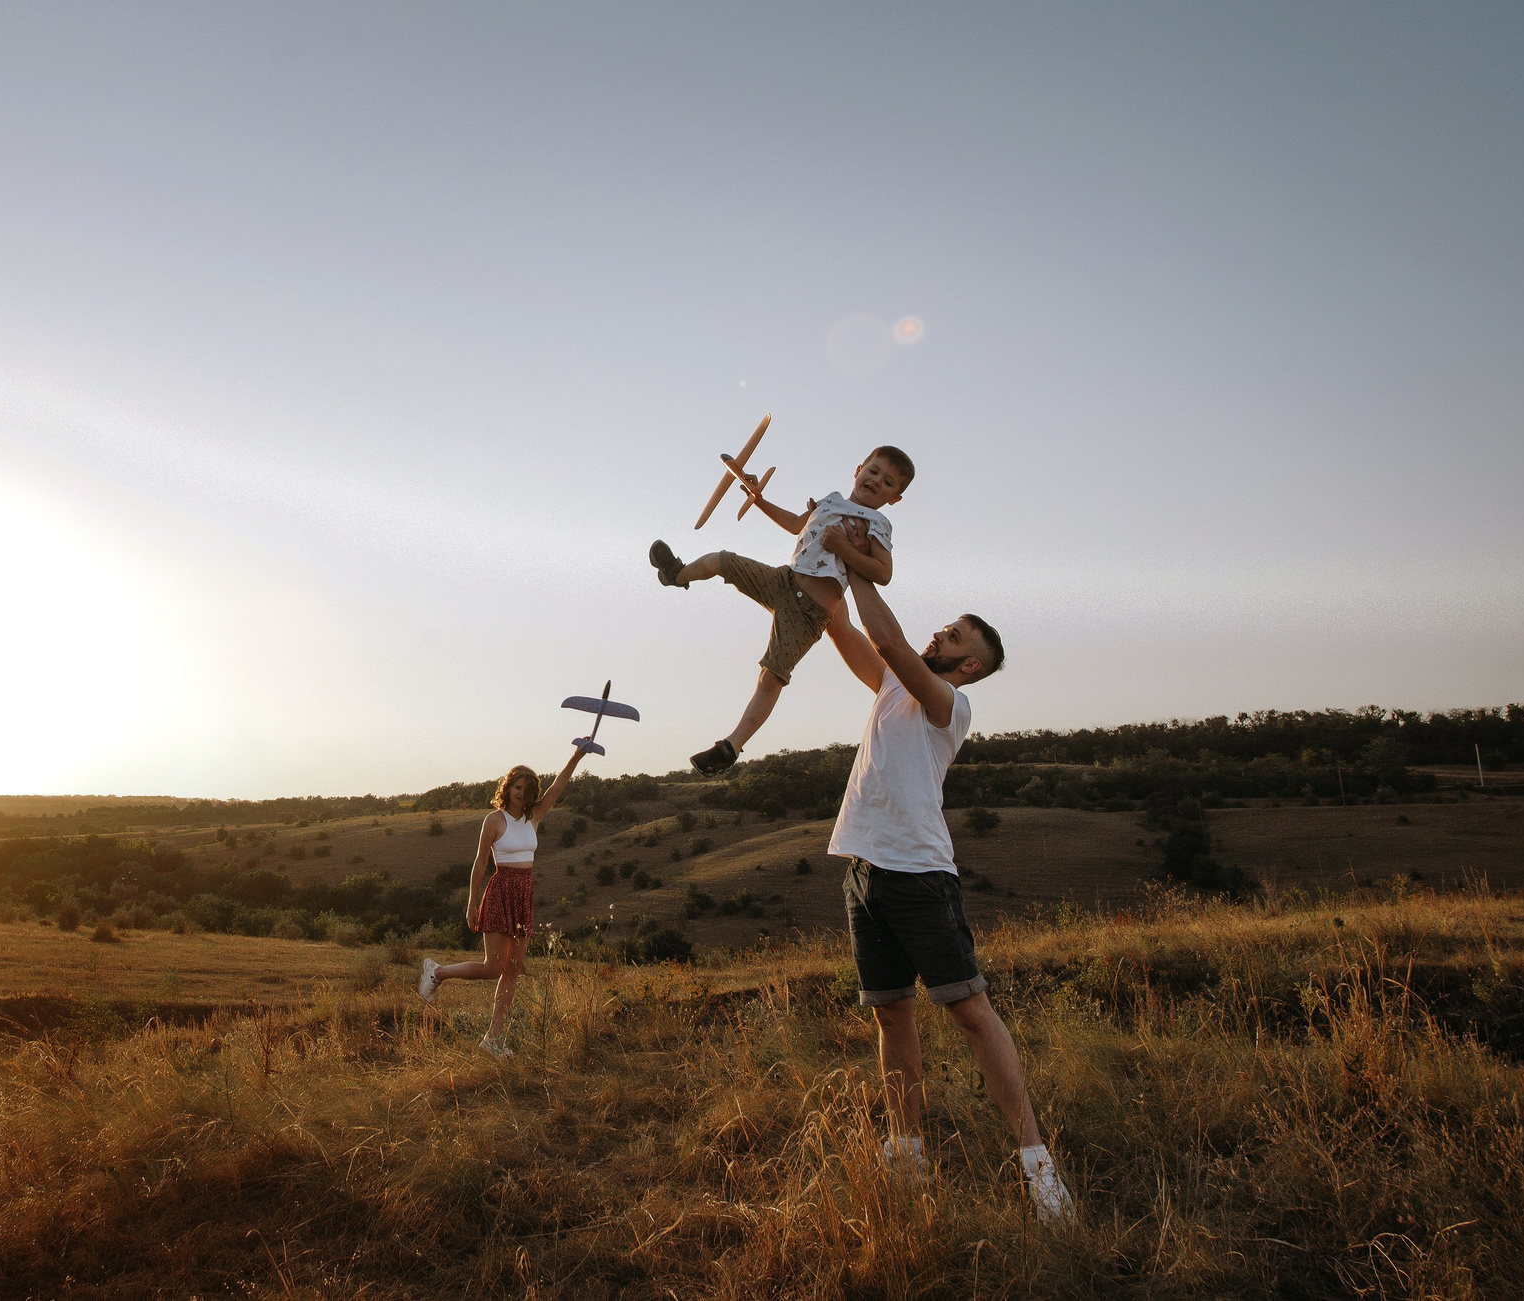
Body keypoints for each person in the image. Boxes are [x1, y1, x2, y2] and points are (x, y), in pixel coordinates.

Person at [813, 522, 1073, 1222]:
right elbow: (845, 630)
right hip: (865, 873)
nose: (943, 634)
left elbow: (892, 640)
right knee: (892, 1018)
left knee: (968, 1011)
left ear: (970, 667)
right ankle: (907, 1159)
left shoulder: (950, 703)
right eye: (949, 626)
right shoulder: (892, 686)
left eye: (958, 637)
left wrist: (856, 562)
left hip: (920, 875)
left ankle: (1039, 1169)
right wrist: (815, 556)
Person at [646, 445, 912, 774]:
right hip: (782, 579)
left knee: (771, 675)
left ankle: (731, 746)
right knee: (720, 560)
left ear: (894, 498)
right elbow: (796, 524)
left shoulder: (877, 522)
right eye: (873, 471)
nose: (876, 481)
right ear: (858, 469)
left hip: (810, 612)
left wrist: (843, 548)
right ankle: (677, 574)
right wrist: (758, 500)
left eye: (888, 483)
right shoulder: (830, 501)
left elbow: (883, 573)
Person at [419, 742, 593, 1057]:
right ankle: (437, 972)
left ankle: (493, 1038)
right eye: (516, 786)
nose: (519, 793)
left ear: (530, 794)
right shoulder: (494, 820)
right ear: (508, 787)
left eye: (526, 789)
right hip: (501, 891)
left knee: (513, 969)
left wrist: (577, 756)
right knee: (493, 967)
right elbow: (480, 863)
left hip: (524, 892)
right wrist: (472, 903)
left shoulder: (535, 815)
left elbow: (558, 786)